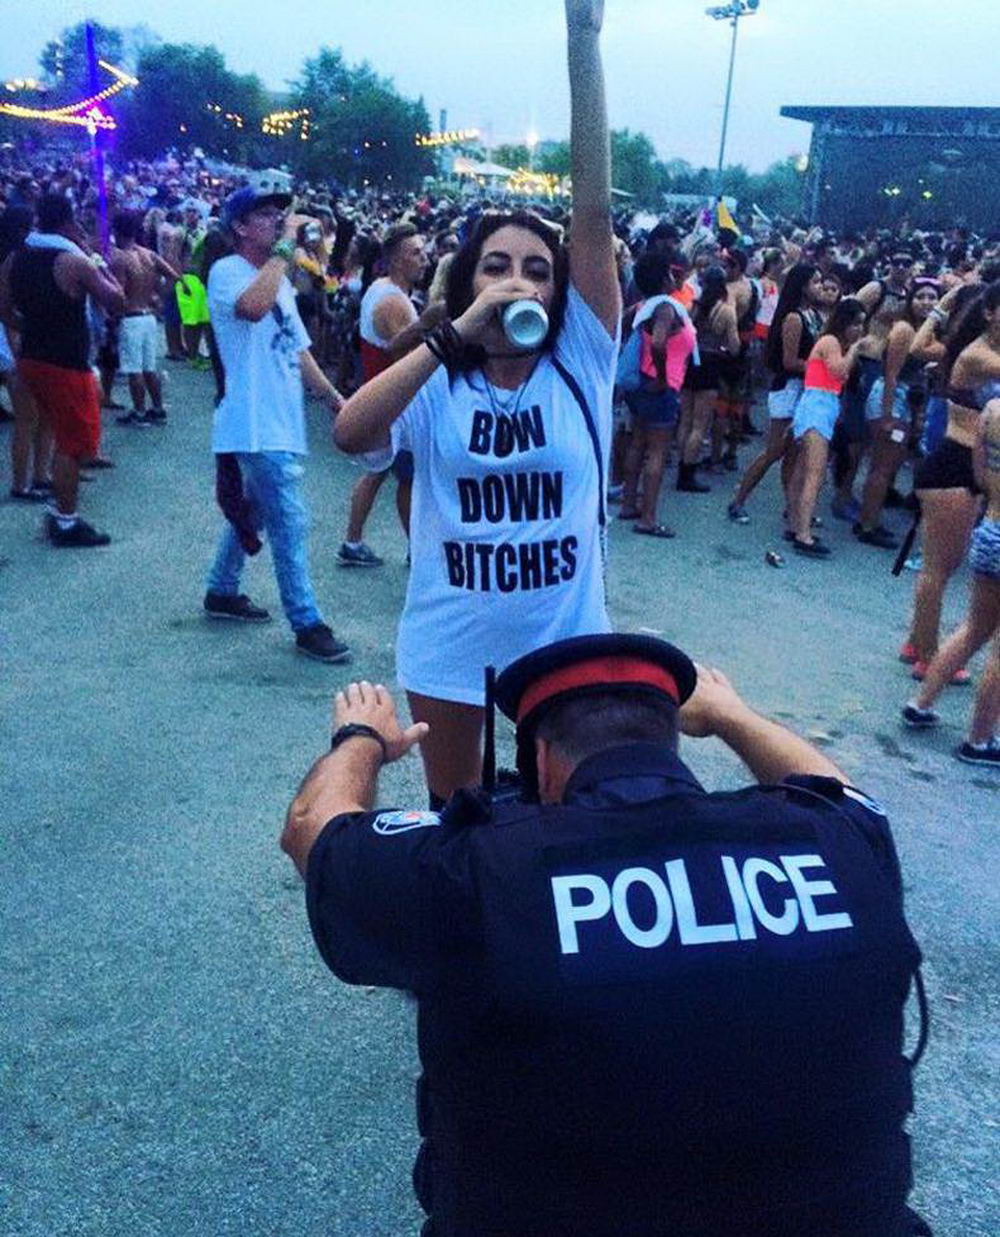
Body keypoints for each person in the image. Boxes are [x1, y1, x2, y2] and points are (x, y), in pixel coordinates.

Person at [281, 632, 928, 1237]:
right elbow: (842, 793)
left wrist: (361, 738)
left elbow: (313, 827)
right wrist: (732, 715)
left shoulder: (483, 870)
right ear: (669, 744)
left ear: (541, 762)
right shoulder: (837, 842)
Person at [334, 0, 620, 805]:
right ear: (468, 281)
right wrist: (453, 332)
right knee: (458, 819)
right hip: (451, 645)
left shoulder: (580, 359)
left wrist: (583, 38)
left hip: (564, 649)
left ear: (560, 292)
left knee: (562, 824)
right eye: (497, 266)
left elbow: (593, 213)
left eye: (537, 269)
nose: (518, 281)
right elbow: (351, 431)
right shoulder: (439, 376)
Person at [203, 186, 350, 663]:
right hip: (253, 420)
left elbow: (298, 349)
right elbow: (251, 308)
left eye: (279, 215)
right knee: (289, 519)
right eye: (266, 215)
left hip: (278, 419)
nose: (278, 221)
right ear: (240, 227)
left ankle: (221, 589)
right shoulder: (228, 270)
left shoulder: (278, 278)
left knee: (256, 511)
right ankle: (307, 622)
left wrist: (333, 398)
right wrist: (286, 249)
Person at [0, 192, 124, 546]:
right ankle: (65, 521)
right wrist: (99, 263)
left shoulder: (15, 258)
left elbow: (4, 309)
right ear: (69, 222)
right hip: (67, 363)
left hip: (31, 357)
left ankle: (55, 507)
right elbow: (116, 300)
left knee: (49, 429)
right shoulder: (73, 261)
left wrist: (30, 329)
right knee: (73, 444)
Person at [903, 283, 1000, 679]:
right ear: (989, 312)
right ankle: (928, 657)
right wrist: (942, 306)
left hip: (966, 469)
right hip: (953, 465)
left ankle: (916, 640)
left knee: (944, 564)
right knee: (937, 569)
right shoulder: (978, 354)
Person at [903, 398, 1000, 765]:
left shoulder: (992, 410)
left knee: (975, 627)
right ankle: (979, 739)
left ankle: (921, 703)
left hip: (990, 528)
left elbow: (979, 474)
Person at [337, 222, 429, 568]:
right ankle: (417, 550)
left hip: (383, 401)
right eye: (415, 253)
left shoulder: (382, 288)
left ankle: (353, 541)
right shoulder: (393, 302)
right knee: (408, 478)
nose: (424, 259)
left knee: (378, 472)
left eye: (423, 251)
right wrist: (429, 325)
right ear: (395, 259)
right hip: (395, 406)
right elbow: (408, 355)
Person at [728, 263, 824, 522]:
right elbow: (789, 361)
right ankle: (738, 500)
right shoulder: (793, 318)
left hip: (803, 389)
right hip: (788, 390)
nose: (820, 287)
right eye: (815, 282)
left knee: (793, 453)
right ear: (802, 286)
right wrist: (820, 366)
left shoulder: (812, 315)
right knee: (775, 451)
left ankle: (792, 508)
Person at [853, 280, 939, 548]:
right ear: (910, 301)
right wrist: (888, 416)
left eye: (932, 297)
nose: (926, 302)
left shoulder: (923, 331)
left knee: (887, 466)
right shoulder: (904, 329)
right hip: (891, 398)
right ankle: (867, 526)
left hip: (903, 399)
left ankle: (869, 518)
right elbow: (890, 374)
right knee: (882, 466)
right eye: (921, 296)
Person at [619, 251, 696, 537]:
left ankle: (629, 503)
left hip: (640, 382)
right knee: (657, 452)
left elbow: (621, 327)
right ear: (664, 278)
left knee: (638, 443)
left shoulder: (643, 306)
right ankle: (648, 518)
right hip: (660, 386)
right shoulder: (665, 308)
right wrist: (663, 377)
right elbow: (660, 343)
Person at [785, 296, 865, 556]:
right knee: (814, 474)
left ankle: (796, 524)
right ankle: (803, 533)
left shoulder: (832, 342)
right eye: (856, 324)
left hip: (821, 405)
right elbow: (838, 372)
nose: (859, 329)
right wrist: (854, 350)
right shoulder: (831, 342)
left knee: (802, 470)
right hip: (817, 407)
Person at [109, 209, 183, 425]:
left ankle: (139, 411)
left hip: (131, 317)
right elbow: (175, 276)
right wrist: (159, 297)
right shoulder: (149, 254)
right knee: (149, 367)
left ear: (116, 231)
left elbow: (119, 294)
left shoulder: (119, 258)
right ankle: (157, 408)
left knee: (134, 369)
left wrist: (113, 314)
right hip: (149, 317)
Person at [676, 264, 739, 492]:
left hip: (690, 363)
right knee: (699, 425)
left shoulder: (693, 307)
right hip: (711, 365)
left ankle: (682, 464)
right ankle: (688, 472)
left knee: (685, 419)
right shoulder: (726, 312)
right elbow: (734, 346)